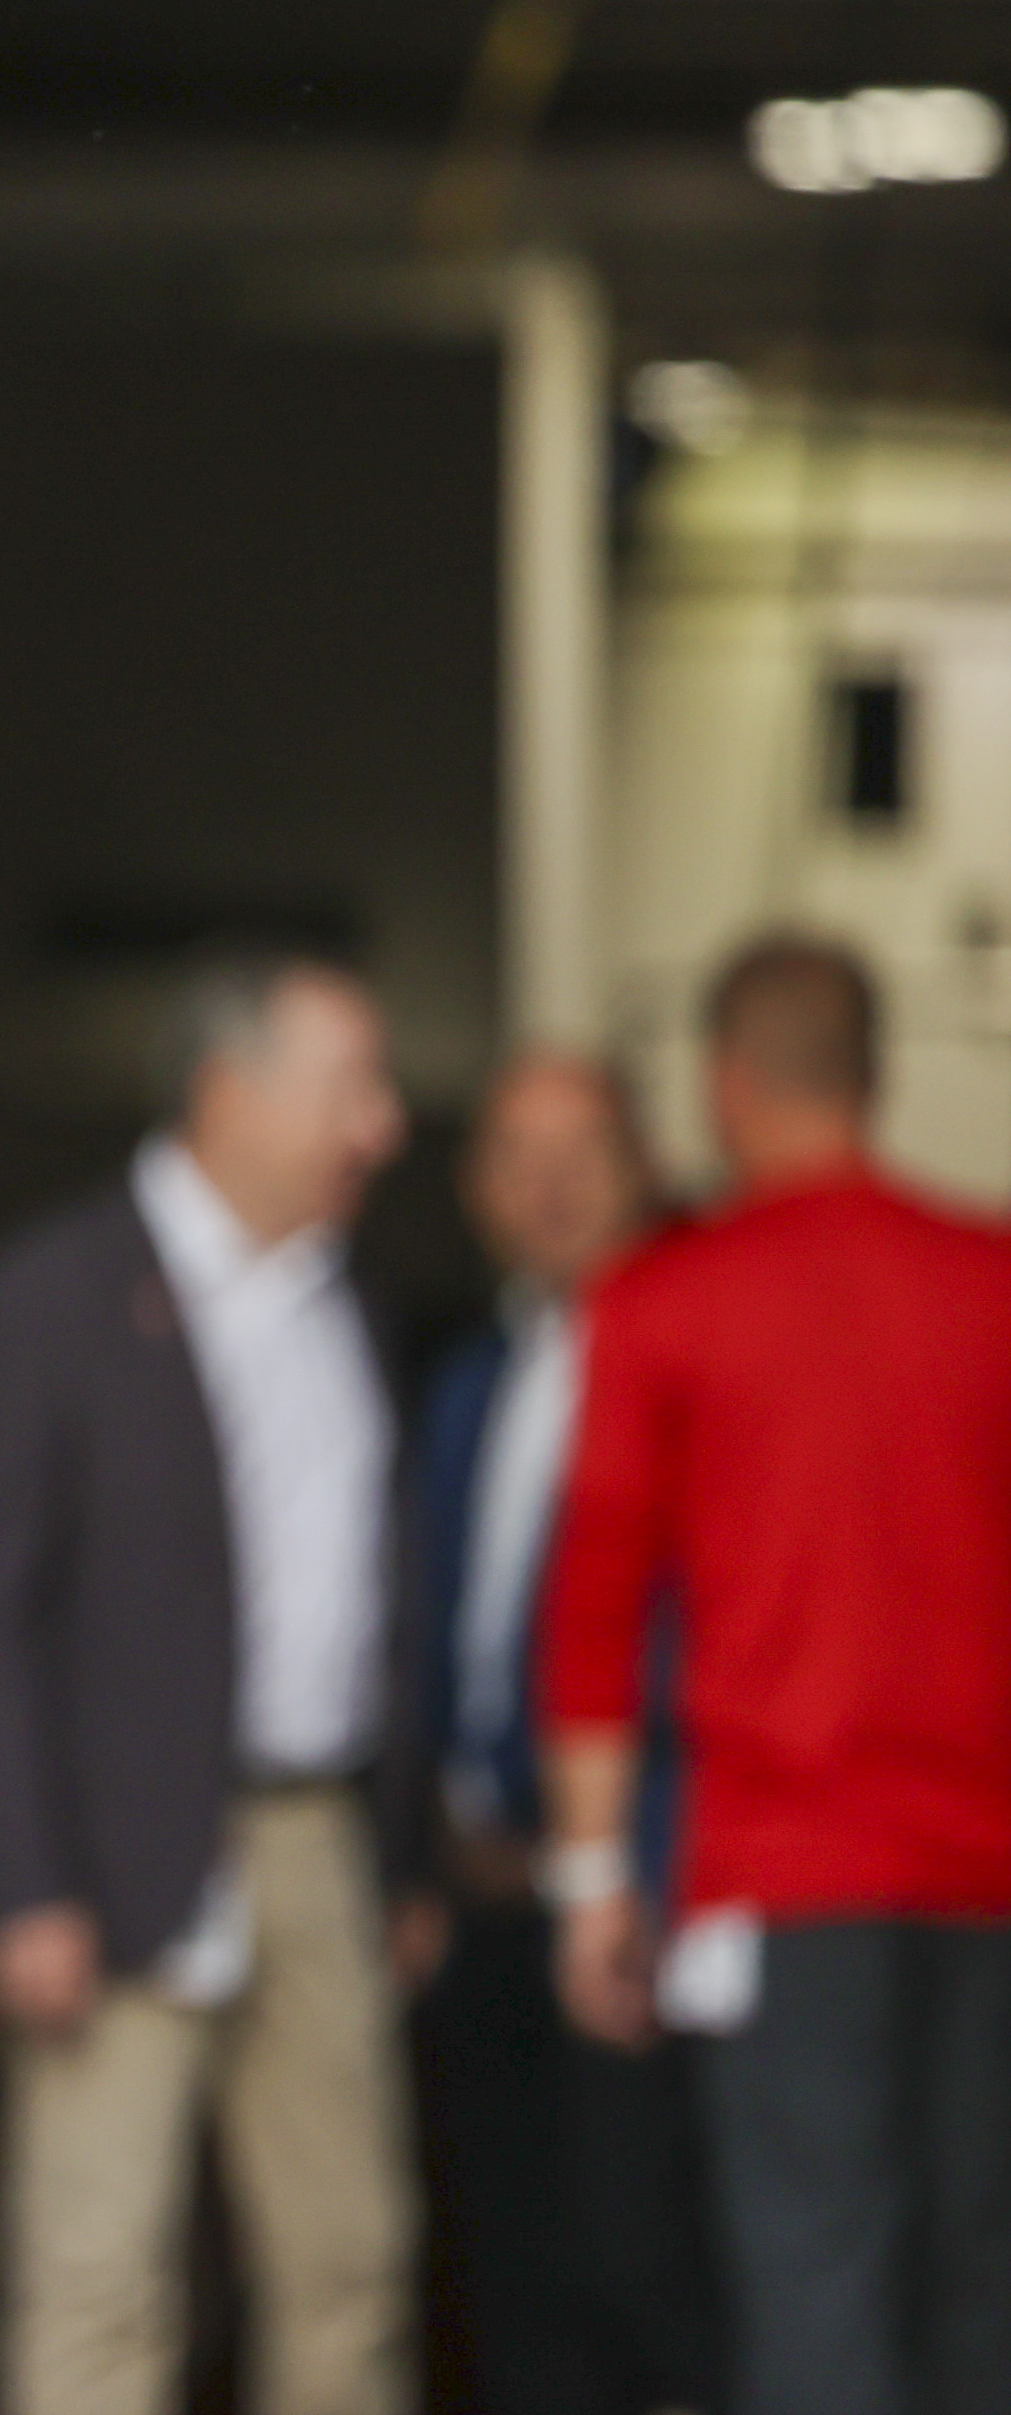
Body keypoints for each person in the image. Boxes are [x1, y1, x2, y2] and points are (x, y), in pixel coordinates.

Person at [0, 951, 431, 2415]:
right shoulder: (51, 1294)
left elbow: (383, 1602)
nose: (385, 1127)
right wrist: (22, 1882)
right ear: (229, 1094)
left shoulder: (352, 1310)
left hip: (317, 1843)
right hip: (109, 1852)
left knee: (351, 2265)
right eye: (354, 1088)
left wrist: (395, 1855)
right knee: (99, 2278)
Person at [540, 934, 1011, 2415]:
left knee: (815, 2281)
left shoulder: (668, 1299)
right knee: (974, 2282)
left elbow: (596, 1608)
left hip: (786, 1871)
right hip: (991, 1876)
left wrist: (592, 1880)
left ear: (726, 1087)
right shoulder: (991, 1283)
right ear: (875, 1076)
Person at [412, 1050, 720, 2415]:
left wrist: (644, 1860)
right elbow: (424, 1638)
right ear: (480, 1191)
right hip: (479, 1905)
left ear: (643, 1162)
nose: (549, 1186)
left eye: (580, 1149)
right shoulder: (474, 1379)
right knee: (513, 2278)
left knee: (646, 2274)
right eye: (515, 1157)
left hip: (640, 1893)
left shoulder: (708, 1365)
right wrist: (415, 1865)